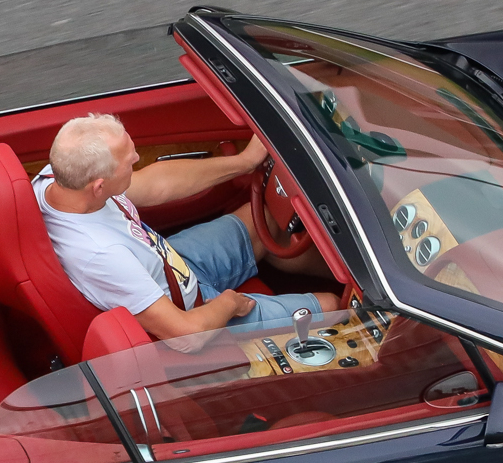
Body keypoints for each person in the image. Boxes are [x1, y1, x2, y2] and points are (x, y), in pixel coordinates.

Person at [35, 113, 342, 341]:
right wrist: (229, 304)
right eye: (130, 162)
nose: (138, 159)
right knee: (334, 307)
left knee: (266, 219)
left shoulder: (58, 178)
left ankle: (349, 270)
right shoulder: (103, 256)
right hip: (189, 311)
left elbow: (156, 184)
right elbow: (186, 335)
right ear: (99, 186)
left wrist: (246, 161)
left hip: (172, 263)